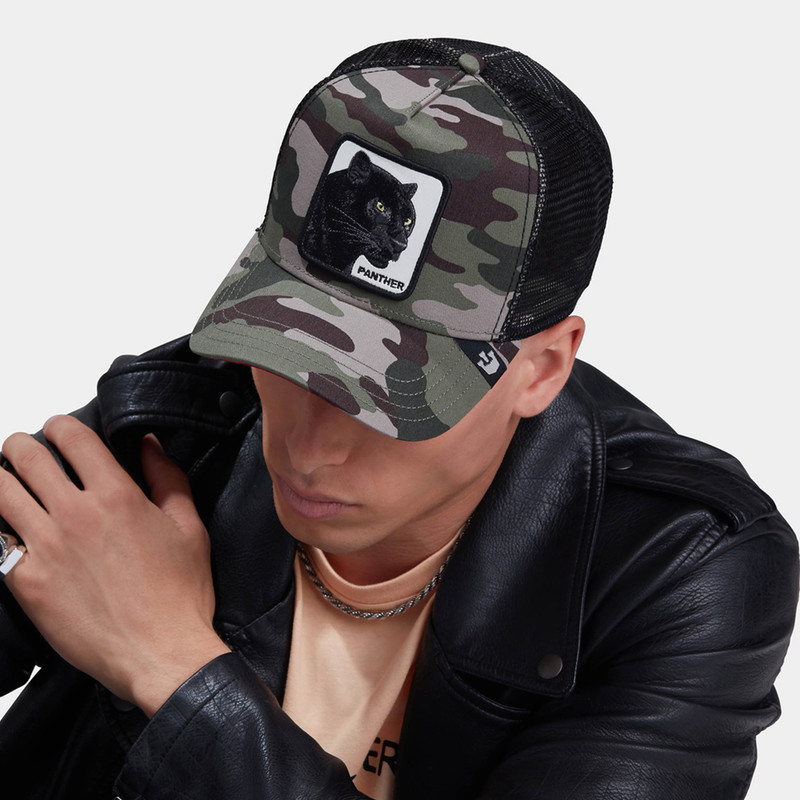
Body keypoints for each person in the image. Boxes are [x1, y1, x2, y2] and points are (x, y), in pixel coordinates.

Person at [0, 37, 797, 800]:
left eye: (389, 394)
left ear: (542, 368)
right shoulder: (187, 419)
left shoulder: (678, 568)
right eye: (288, 349)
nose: (308, 448)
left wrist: (171, 664)